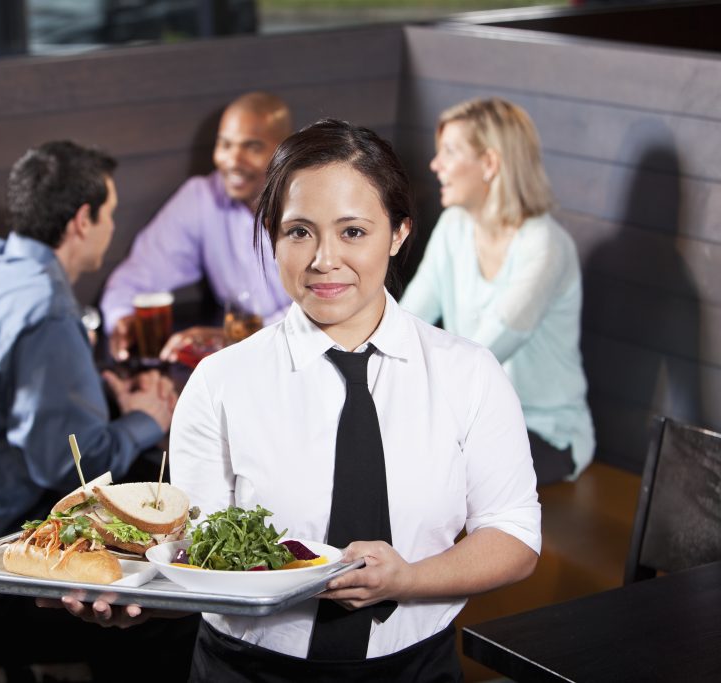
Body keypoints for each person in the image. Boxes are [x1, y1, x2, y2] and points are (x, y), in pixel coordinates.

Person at [44, 120, 541, 681]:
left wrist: (409, 579)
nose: (324, 259)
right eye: (299, 232)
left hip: (417, 670)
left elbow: (514, 535)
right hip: (246, 670)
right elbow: (194, 557)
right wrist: (137, 601)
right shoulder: (220, 380)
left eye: (353, 231)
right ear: (271, 235)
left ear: (399, 233)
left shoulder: (468, 373)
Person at [0, 141, 198, 681]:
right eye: (110, 214)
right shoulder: (45, 309)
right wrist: (149, 418)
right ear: (83, 220)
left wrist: (108, 399)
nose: (111, 226)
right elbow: (69, 470)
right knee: (180, 603)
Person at [399, 97, 595, 484]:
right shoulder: (454, 226)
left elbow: (482, 356)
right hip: (470, 422)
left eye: (449, 151)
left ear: (489, 163)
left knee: (425, 475)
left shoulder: (544, 245)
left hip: (543, 432)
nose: (435, 165)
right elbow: (406, 323)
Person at [100, 91, 293, 362]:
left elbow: (324, 312)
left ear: (283, 152)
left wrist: (236, 339)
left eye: (252, 147)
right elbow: (136, 276)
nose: (233, 161)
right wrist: (122, 319)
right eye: (225, 145)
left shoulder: (312, 203)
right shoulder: (202, 198)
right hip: (245, 362)